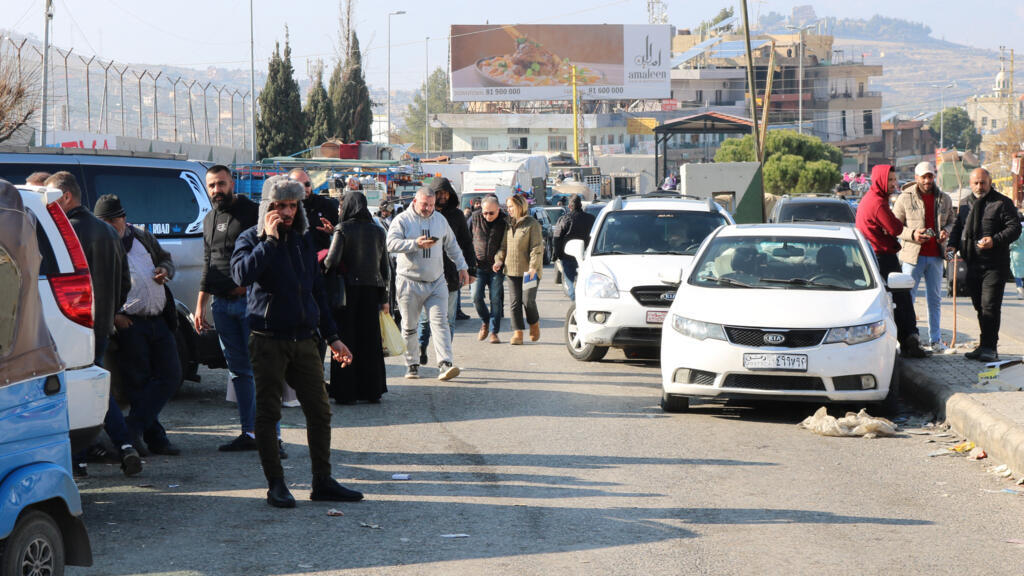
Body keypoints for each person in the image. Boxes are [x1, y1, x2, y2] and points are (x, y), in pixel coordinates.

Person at [231, 176, 362, 508]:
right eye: (279, 206)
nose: (287, 212)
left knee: (320, 411)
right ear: (267, 208)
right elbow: (241, 276)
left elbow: (316, 291)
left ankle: (322, 480)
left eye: (292, 205)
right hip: (267, 340)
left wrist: (333, 337)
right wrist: (270, 242)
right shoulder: (251, 238)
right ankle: (276, 483)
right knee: (269, 413)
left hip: (305, 339)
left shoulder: (304, 240)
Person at [45, 172, 137, 477]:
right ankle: (122, 446)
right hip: (100, 327)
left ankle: (82, 457)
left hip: (71, 326)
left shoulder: (62, 233)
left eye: (50, 196)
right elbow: (125, 283)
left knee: (81, 391)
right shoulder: (110, 233)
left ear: (66, 197)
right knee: (93, 387)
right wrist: (110, 311)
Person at [94, 194, 184, 457]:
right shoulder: (101, 245)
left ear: (123, 218)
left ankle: (132, 428)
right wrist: (113, 316)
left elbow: (166, 259)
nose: (112, 226)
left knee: (171, 375)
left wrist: (165, 271)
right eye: (105, 222)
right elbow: (95, 287)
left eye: (115, 220)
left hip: (158, 318)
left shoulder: (142, 236)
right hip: (130, 323)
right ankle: (155, 438)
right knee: (138, 383)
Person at [194, 165, 272, 454]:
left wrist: (249, 285)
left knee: (262, 371)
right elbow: (208, 262)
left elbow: (268, 255)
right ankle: (249, 433)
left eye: (221, 184)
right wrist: (200, 305)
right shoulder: (209, 219)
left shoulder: (253, 213)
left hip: (250, 304)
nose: (217, 190)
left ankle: (271, 437)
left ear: (232, 183)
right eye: (212, 185)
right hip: (222, 306)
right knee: (238, 372)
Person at [387, 186, 469, 380]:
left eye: (431, 205)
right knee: (409, 326)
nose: (428, 208)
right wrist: (415, 243)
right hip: (409, 281)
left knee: (441, 322)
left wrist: (462, 267)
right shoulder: (402, 220)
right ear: (415, 202)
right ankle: (412, 364)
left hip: (436, 281)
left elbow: (452, 245)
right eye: (425, 204)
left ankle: (445, 363)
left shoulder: (440, 220)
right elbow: (390, 244)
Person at [947, 168, 1022, 361]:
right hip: (973, 264)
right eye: (976, 183)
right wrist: (951, 247)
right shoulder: (965, 205)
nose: (980, 186)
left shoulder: (1002, 202)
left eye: (983, 183)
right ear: (970, 184)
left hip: (994, 265)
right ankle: (983, 344)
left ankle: (991, 347)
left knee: (990, 306)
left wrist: (994, 240)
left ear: (990, 183)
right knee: (979, 306)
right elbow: (957, 228)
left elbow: (1014, 228)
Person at [323, 191, 390, 404]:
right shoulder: (378, 231)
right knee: (370, 342)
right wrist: (384, 297)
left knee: (346, 340)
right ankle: (371, 390)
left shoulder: (343, 229)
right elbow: (384, 267)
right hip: (372, 291)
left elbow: (331, 261)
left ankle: (346, 392)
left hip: (347, 291)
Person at [855, 164, 927, 358]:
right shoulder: (877, 203)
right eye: (890, 180)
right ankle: (910, 341)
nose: (894, 184)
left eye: (895, 179)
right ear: (880, 180)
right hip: (883, 259)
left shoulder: (871, 199)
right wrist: (912, 233)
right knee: (902, 300)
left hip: (872, 258)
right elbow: (894, 227)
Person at [893, 161, 955, 352]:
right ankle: (907, 338)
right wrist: (913, 235)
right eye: (924, 177)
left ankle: (935, 340)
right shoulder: (905, 198)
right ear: (916, 178)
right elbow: (895, 227)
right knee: (907, 299)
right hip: (912, 256)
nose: (927, 180)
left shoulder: (944, 198)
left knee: (935, 299)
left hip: (936, 255)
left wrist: (946, 230)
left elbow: (953, 221)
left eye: (930, 176)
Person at [416, 178, 477, 364]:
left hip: (451, 274)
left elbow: (466, 243)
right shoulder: (422, 215)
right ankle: (421, 347)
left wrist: (470, 269)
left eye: (445, 193)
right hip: (426, 274)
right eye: (439, 193)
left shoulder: (457, 216)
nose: (443, 197)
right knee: (426, 320)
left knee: (449, 319)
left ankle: (445, 359)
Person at [494, 194, 544, 345]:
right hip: (511, 271)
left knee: (528, 300)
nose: (508, 209)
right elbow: (504, 246)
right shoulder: (508, 224)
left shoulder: (532, 224)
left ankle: (534, 324)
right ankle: (518, 333)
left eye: (511, 206)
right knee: (515, 302)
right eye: (507, 206)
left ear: (520, 206)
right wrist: (499, 260)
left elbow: (537, 247)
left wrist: (533, 268)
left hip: (529, 272)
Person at [469, 196, 508, 343]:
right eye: (485, 213)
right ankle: (485, 321)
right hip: (477, 267)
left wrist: (502, 261)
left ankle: (493, 332)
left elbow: (508, 243)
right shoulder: (474, 218)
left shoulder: (505, 221)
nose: (487, 216)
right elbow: (465, 239)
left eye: (491, 213)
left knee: (495, 300)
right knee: (475, 296)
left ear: (498, 209)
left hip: (496, 268)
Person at [553, 194, 596, 301]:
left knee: (571, 285)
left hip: (568, 256)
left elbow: (557, 238)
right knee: (588, 285)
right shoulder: (591, 219)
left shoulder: (564, 219)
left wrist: (556, 255)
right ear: (581, 205)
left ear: (569, 206)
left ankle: (577, 305)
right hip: (587, 255)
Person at [289, 168, 338, 252]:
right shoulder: (284, 207)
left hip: (320, 259)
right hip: (294, 259)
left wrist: (333, 231)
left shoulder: (325, 204)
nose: (304, 188)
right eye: (299, 185)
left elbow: (341, 230)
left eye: (307, 184)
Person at [1010, 211, 1024, 300]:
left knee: (1017, 274)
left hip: (1016, 253)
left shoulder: (1016, 229)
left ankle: (1020, 292)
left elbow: (1011, 242)